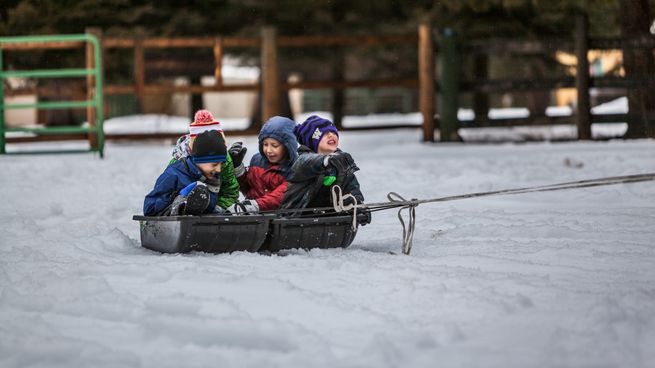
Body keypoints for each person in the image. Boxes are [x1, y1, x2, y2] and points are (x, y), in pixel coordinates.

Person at [280, 115, 365, 216]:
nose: (331, 135)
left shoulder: (340, 161)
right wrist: (326, 160)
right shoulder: (303, 161)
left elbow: (351, 187)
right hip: (297, 217)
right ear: (312, 141)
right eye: (324, 134)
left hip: (330, 217)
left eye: (333, 132)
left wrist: (358, 206)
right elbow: (310, 162)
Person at [144, 130, 233, 216]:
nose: (218, 169)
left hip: (197, 226)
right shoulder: (174, 175)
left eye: (220, 164)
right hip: (173, 226)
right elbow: (149, 208)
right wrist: (175, 199)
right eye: (214, 164)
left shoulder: (211, 178)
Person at [169, 109, 239, 210]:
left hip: (215, 207)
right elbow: (165, 193)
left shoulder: (224, 160)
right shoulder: (178, 162)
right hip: (185, 210)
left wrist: (217, 207)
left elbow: (230, 191)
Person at [226, 116, 298, 214]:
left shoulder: (295, 169)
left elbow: (278, 197)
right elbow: (247, 187)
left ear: (287, 146)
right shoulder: (257, 161)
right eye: (265, 144)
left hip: (279, 219)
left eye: (274, 145)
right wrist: (237, 167)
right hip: (253, 218)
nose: (268, 150)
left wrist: (251, 206)